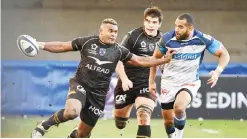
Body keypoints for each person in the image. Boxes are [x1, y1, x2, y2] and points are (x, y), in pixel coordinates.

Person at [30, 18, 175, 138]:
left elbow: (140, 61)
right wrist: (39, 44)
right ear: (101, 31)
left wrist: (163, 60)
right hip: (81, 84)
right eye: (110, 31)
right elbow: (62, 46)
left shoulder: (119, 50)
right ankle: (44, 125)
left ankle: (73, 135)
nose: (113, 34)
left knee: (83, 134)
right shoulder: (87, 42)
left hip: (98, 96)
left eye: (116, 32)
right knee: (72, 112)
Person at [149, 13, 230, 138]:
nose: (176, 29)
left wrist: (217, 71)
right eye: (176, 26)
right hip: (168, 82)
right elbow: (154, 59)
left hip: (189, 81)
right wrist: (152, 81)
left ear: (190, 28)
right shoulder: (167, 39)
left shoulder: (202, 39)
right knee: (168, 121)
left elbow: (224, 54)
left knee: (179, 108)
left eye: (180, 27)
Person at [113, 6, 163, 138]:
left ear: (159, 24)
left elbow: (165, 64)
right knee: (120, 123)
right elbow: (117, 59)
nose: (150, 25)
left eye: (154, 22)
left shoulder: (164, 41)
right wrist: (123, 79)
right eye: (148, 21)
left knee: (144, 115)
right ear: (144, 21)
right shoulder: (133, 36)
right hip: (127, 82)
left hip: (146, 83)